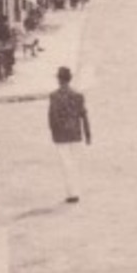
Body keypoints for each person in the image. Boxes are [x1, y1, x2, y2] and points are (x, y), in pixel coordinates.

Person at [47, 66, 91, 203]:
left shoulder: (54, 96)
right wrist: (88, 133)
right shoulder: (78, 96)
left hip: (61, 135)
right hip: (75, 133)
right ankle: (75, 191)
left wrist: (54, 131)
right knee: (75, 163)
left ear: (59, 80)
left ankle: (71, 193)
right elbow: (84, 115)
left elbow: (52, 117)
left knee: (66, 164)